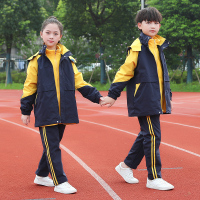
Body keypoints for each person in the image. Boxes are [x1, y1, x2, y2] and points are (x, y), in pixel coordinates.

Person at [20, 16, 104, 194]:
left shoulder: (68, 59)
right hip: (46, 110)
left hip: (64, 109)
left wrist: (98, 98)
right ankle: (60, 181)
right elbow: (30, 87)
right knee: (53, 147)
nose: (51, 36)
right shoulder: (36, 61)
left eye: (55, 33)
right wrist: (25, 111)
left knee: (53, 144)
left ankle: (41, 175)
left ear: (60, 36)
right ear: (41, 34)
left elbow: (79, 83)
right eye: (48, 33)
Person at [101, 7, 174, 190]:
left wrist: (167, 94)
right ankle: (153, 177)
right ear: (139, 25)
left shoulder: (157, 45)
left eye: (156, 23)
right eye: (149, 22)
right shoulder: (137, 47)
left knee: (147, 134)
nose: (153, 26)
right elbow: (124, 72)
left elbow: (160, 74)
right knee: (152, 135)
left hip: (155, 97)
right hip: (144, 97)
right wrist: (112, 95)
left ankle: (126, 166)